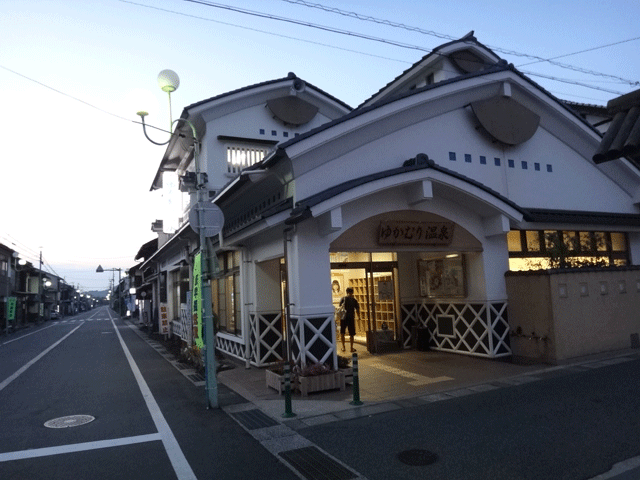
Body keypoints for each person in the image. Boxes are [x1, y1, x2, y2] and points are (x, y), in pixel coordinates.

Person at [339, 287, 360, 352]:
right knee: (351, 334)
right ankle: (351, 348)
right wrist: (359, 317)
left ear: (346, 292)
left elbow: (340, 307)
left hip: (343, 318)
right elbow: (357, 309)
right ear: (352, 292)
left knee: (342, 332)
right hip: (351, 318)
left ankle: (343, 347)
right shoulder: (354, 300)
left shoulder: (343, 298)